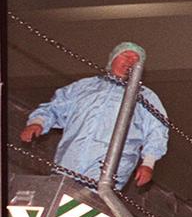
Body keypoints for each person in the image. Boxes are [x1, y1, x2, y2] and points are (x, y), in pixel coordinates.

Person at [21, 42, 168, 190]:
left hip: (110, 167)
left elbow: (157, 130)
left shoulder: (145, 96)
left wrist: (148, 164)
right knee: (59, 198)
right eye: (125, 55)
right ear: (113, 59)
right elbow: (55, 107)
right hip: (69, 160)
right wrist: (37, 122)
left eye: (136, 59)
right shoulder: (83, 87)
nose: (130, 60)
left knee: (91, 202)